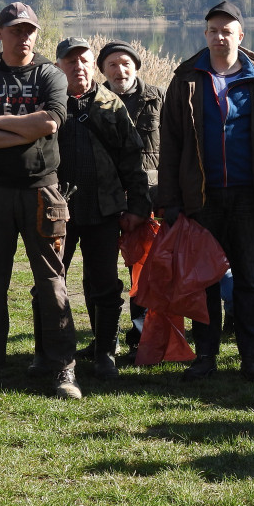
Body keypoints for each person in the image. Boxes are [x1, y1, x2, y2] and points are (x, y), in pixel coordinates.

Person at [157, 0, 254, 382]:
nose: (219, 37)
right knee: (204, 280)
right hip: (202, 198)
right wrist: (170, 201)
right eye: (213, 31)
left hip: (249, 198)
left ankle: (252, 358)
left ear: (240, 36)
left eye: (226, 31)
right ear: (205, 35)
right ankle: (206, 356)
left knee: (249, 279)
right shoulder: (186, 79)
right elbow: (172, 145)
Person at [0, 3, 77, 400]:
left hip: (42, 192)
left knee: (52, 283)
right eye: (15, 30)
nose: (23, 37)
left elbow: (49, 122)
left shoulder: (49, 74)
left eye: (29, 31)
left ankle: (63, 371)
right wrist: (22, 130)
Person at [45, 37, 150, 380]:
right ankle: (49, 352)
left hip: (104, 210)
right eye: (70, 62)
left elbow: (132, 161)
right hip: (56, 210)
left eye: (84, 61)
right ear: (59, 66)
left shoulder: (112, 105)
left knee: (105, 283)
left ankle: (104, 351)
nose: (78, 67)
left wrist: (137, 205)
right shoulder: (49, 105)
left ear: (94, 65)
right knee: (49, 282)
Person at [96, 40, 164, 351]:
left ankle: (143, 334)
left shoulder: (158, 98)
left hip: (152, 197)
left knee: (146, 270)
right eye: (112, 64)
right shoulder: (94, 102)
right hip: (109, 200)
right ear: (103, 71)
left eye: (125, 63)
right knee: (105, 271)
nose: (120, 70)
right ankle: (104, 340)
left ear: (136, 66)